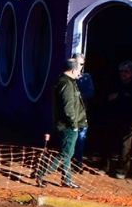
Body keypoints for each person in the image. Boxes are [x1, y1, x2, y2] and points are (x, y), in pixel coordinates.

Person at [36, 58, 87, 189]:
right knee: (65, 154)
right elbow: (68, 107)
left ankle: (66, 180)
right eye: (79, 68)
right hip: (68, 126)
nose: (80, 70)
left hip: (66, 124)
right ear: (73, 69)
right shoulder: (66, 84)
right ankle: (40, 173)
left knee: (67, 153)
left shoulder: (66, 81)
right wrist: (74, 125)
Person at [103, 60, 132, 179]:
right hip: (113, 116)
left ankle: (121, 170)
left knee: (125, 145)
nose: (123, 73)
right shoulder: (115, 83)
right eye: (121, 71)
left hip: (127, 118)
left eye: (126, 71)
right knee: (108, 141)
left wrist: (118, 96)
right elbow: (107, 96)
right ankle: (104, 167)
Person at [71, 53, 94, 168]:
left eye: (81, 64)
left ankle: (77, 162)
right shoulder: (66, 76)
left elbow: (91, 92)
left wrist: (78, 95)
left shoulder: (86, 77)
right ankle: (66, 162)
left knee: (80, 138)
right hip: (69, 112)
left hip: (82, 112)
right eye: (77, 63)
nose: (79, 66)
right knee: (69, 138)